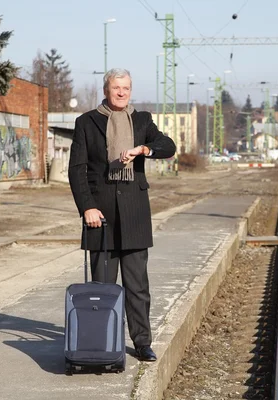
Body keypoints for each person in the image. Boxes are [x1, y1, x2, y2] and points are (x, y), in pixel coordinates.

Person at [68, 68, 176, 362]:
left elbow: (169, 147)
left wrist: (144, 148)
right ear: (106, 89)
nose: (121, 93)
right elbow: (77, 170)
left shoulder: (142, 120)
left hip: (134, 213)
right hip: (100, 216)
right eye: (116, 87)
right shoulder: (87, 122)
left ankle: (142, 342)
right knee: (103, 287)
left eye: (126, 88)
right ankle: (103, 341)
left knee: (138, 286)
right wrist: (87, 207)